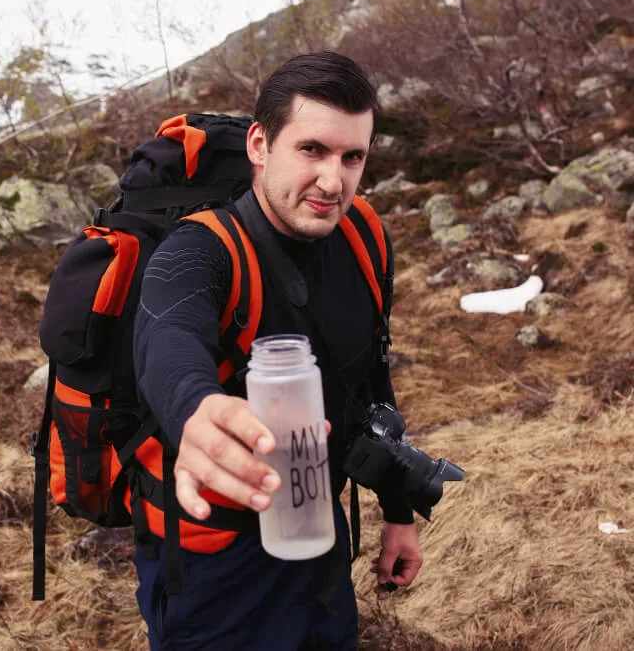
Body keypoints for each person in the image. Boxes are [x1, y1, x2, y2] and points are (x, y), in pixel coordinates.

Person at [131, 51, 422, 650]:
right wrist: (193, 410)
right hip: (216, 558)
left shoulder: (363, 235)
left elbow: (370, 380)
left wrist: (398, 511)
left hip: (318, 526)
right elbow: (167, 335)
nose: (332, 181)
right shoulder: (203, 250)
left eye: (353, 157)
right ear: (260, 144)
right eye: (311, 149)